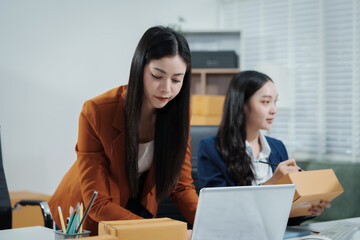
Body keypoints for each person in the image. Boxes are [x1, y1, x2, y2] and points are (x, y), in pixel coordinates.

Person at [49, 26, 198, 235]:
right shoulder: (96, 111)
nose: (167, 89)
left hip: (135, 212)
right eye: (157, 76)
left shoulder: (180, 115)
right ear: (139, 69)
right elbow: (97, 204)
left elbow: (181, 187)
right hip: (84, 220)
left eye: (176, 80)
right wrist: (165, 232)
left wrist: (212, 225)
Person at [197, 70, 330, 224]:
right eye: (266, 102)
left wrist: (306, 209)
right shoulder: (211, 148)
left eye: (275, 102)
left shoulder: (277, 147)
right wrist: (273, 182)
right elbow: (222, 211)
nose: (274, 110)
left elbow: (283, 216)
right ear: (242, 104)